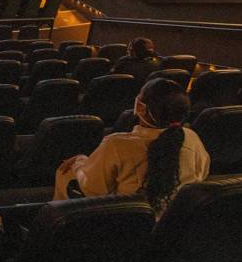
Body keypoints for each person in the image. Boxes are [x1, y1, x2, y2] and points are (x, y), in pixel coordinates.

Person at [53, 78, 209, 217]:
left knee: (65, 172)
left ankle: (58, 220)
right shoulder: (191, 137)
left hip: (127, 223)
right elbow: (202, 173)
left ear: (141, 108)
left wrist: (79, 162)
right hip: (175, 223)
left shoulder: (116, 144)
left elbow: (92, 188)